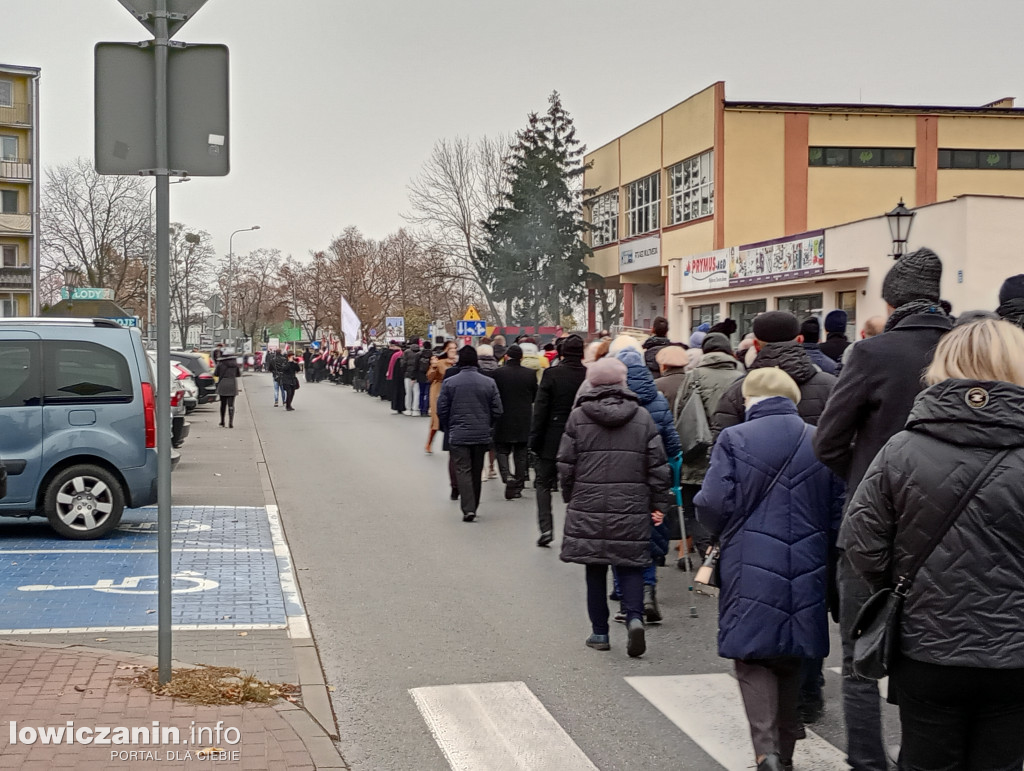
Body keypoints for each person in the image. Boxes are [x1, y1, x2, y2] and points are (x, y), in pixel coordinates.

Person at [839, 319, 1024, 771]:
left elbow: (862, 540)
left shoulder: (903, 448)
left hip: (927, 641)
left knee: (924, 758)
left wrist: (903, 582)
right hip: (1016, 648)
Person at [813, 247, 953, 771]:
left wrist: (866, 478)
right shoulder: (966, 347)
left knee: (858, 656)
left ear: (892, 300)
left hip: (875, 524)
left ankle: (869, 761)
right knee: (936, 652)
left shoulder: (873, 354)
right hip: (952, 526)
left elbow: (827, 442)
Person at [696, 368, 844, 771]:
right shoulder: (819, 439)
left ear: (750, 400)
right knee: (792, 651)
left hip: (749, 556)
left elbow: (711, 502)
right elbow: (838, 509)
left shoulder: (734, 438)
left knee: (753, 653)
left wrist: (721, 531)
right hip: (809, 558)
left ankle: (766, 752)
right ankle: (788, 753)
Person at [558, 357, 673, 658]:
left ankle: (599, 633)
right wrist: (659, 503)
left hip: (589, 501)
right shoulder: (643, 417)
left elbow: (566, 464)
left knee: (594, 569)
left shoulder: (579, 416)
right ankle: (634, 617)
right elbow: (658, 467)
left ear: (592, 383)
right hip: (631, 504)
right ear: (624, 382)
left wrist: (571, 495)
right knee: (631, 563)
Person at [611, 337, 681, 623]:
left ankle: (624, 598)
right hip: (654, 477)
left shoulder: (613, 402)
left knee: (618, 538)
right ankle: (649, 589)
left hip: (619, 479)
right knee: (651, 534)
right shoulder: (659, 400)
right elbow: (674, 445)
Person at [665, 332, 744, 562]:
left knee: (695, 512)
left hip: (696, 455)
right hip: (731, 453)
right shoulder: (742, 377)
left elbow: (679, 414)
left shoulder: (694, 376)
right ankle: (722, 556)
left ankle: (707, 557)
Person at [714, 311, 837, 435]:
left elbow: (723, 446)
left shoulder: (737, 391)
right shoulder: (831, 386)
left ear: (756, 345)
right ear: (800, 340)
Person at [530, 335, 587, 547]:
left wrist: (534, 440)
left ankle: (546, 528)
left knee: (543, 483)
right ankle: (577, 529)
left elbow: (540, 410)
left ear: (561, 353)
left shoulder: (551, 374)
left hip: (552, 437)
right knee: (579, 485)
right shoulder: (588, 375)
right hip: (581, 436)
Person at [436, 346, 503, 522]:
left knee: (463, 469)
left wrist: (448, 425)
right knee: (476, 469)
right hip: (481, 433)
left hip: (458, 433)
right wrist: (489, 424)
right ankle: (475, 504)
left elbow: (441, 408)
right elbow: (498, 409)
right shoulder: (488, 382)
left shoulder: (450, 382)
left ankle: (468, 508)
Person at [490, 344, 538, 500]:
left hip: (503, 417)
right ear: (521, 358)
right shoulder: (530, 374)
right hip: (523, 418)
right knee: (521, 453)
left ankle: (507, 476)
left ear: (506, 357)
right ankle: (518, 485)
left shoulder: (497, 373)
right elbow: (534, 396)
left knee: (501, 450)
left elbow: (493, 395)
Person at [426, 341, 457, 454]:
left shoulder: (457, 362)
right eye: (450, 348)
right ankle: (429, 443)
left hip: (453, 390)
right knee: (437, 418)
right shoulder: (439, 362)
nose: (453, 351)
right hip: (438, 389)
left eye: (455, 348)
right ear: (446, 350)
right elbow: (430, 377)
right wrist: (433, 367)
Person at [214, 349, 242, 428]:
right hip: (232, 384)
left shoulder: (221, 364)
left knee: (223, 404)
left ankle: (222, 421)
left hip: (223, 383)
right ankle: (231, 423)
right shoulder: (235, 364)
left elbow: (216, 374)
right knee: (231, 404)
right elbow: (238, 374)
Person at [402, 341, 421, 416]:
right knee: (417, 392)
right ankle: (415, 409)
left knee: (408, 392)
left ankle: (408, 409)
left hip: (408, 374)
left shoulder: (407, 352)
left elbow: (403, 363)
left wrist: (404, 371)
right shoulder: (420, 352)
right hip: (418, 375)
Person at [416, 343, 433, 415]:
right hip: (429, 376)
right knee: (428, 393)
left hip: (421, 376)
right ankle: (426, 408)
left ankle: (421, 408)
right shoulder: (432, 355)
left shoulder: (419, 354)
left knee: (421, 393)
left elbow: (416, 366)